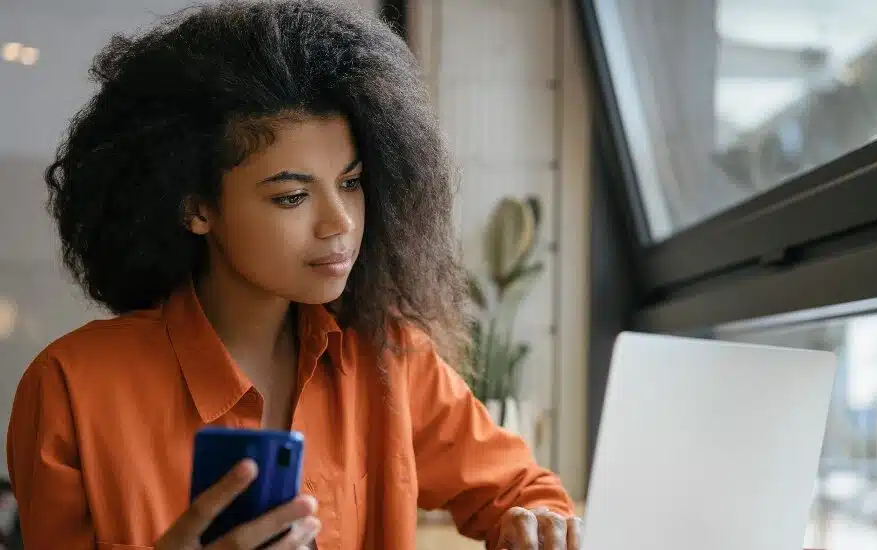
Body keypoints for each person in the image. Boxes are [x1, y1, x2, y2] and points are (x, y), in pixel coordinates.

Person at [4, 2, 581, 549]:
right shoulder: (71, 388)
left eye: (351, 183)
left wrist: (534, 526)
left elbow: (526, 494)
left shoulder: (392, 362)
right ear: (196, 209)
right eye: (292, 196)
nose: (340, 223)